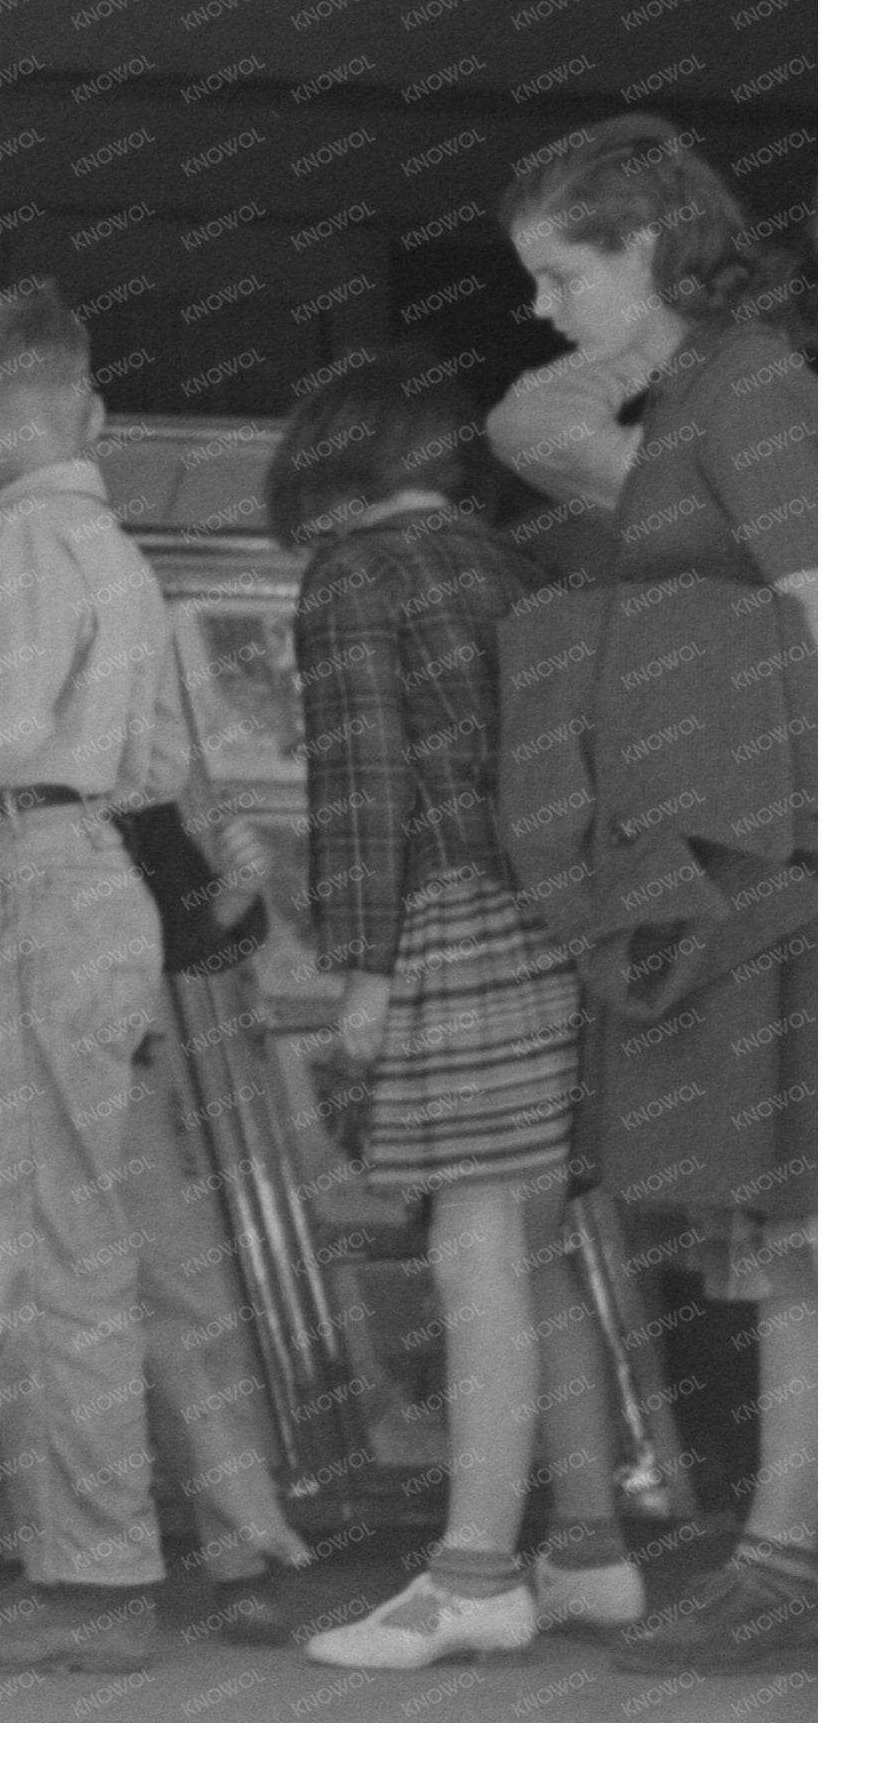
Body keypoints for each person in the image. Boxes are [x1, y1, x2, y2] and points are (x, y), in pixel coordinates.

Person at [237, 351, 635, 1668]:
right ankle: (587, 1552)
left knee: (474, 1253)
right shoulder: (500, 563)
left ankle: (471, 1579)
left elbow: (362, 787)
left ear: (333, 459)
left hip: (450, 922)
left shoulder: (353, 572)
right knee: (537, 1252)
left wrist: (362, 972)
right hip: (551, 919)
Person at [487, 118, 814, 1673]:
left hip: (796, 858)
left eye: (563, 273)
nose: (546, 309)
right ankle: (787, 1551)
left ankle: (791, 1558)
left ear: (645, 246)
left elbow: (838, 609)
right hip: (754, 855)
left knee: (812, 1231)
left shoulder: (749, 388)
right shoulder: (701, 387)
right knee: (796, 1234)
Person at [0, 281, 186, 1675]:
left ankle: (83, 1584)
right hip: (101, 875)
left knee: (27, 1240)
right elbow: (167, 764)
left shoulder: (16, 546)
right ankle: (94, 1558)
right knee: (82, 1227)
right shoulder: (118, 552)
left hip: (20, 878)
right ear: (92, 408)